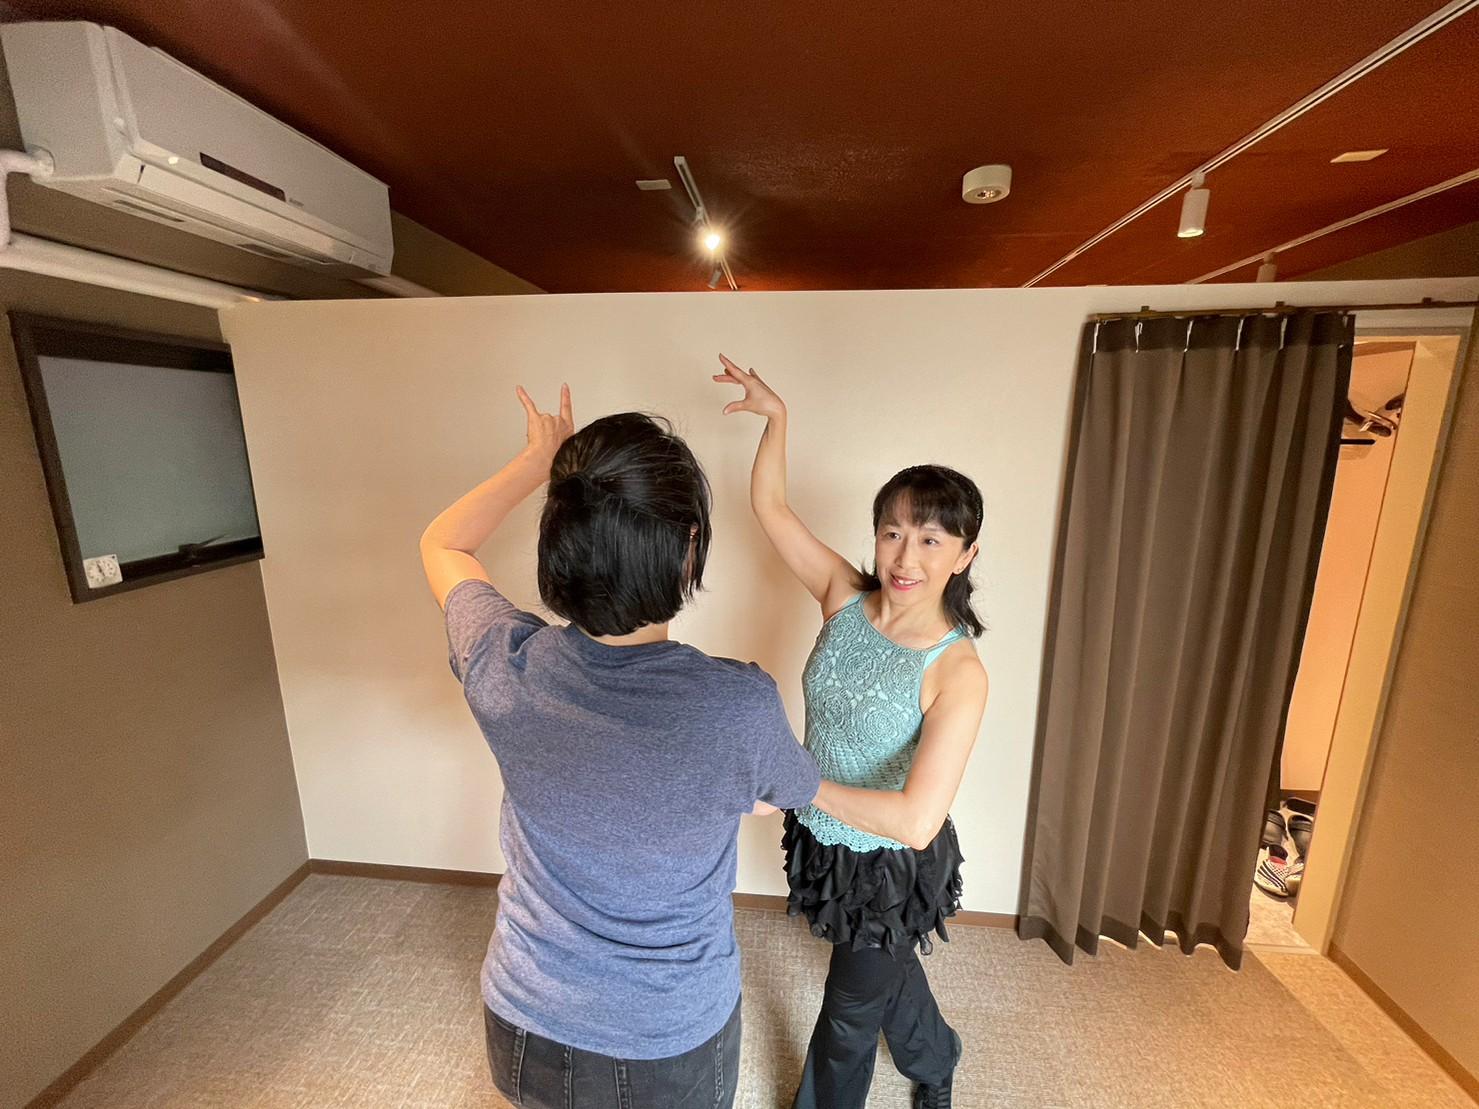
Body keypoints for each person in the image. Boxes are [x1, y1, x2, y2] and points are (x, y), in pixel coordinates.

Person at [419, 383, 820, 1109]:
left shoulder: (505, 665)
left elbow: (443, 543)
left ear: (559, 545)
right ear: (687, 547)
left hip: (526, 1017)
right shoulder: (736, 706)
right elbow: (785, 793)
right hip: (669, 1037)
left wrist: (538, 461)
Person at [714, 355, 990, 1109]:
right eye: (892, 532)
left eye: (931, 540)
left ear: (965, 554)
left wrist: (798, 784)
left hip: (889, 865)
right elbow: (771, 507)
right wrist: (777, 418)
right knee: (880, 971)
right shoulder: (843, 595)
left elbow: (916, 820)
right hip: (825, 837)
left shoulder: (956, 669)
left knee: (845, 1015)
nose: (905, 556)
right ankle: (936, 1054)